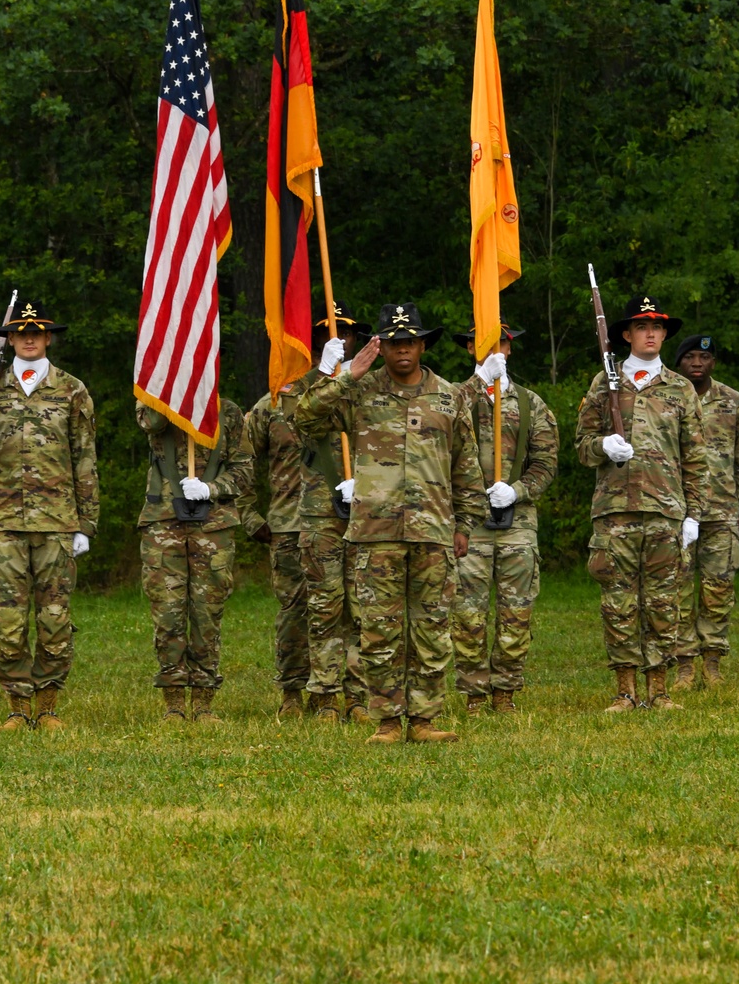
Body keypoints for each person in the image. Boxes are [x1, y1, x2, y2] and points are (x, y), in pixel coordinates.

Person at [294, 301, 485, 744]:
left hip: (433, 530)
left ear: (422, 345)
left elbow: (466, 464)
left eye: (412, 341)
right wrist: (345, 376)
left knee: (431, 626)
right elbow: (303, 417)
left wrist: (466, 524)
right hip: (375, 533)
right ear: (380, 348)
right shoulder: (360, 392)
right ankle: (385, 721)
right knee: (379, 628)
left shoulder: (448, 395)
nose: (405, 349)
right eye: (395, 342)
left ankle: (424, 719)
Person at [0, 300, 99, 732]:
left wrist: (86, 524)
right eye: (22, 333)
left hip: (57, 522)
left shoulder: (72, 389)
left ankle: (48, 706)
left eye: (37, 333)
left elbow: (85, 458)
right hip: (3, 523)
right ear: (10, 339)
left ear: (48, 338)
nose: (30, 338)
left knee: (55, 618)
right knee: (7, 619)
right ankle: (17, 708)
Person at [575, 295, 706, 712]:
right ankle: (625, 690)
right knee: (618, 602)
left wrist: (694, 514)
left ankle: (660, 690)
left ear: (665, 334)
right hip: (615, 512)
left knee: (665, 603)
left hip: (666, 510)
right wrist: (602, 446)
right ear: (627, 335)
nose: (651, 333)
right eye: (642, 326)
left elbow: (696, 457)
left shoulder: (680, 388)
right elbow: (580, 447)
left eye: (658, 327)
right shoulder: (604, 384)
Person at [450, 319, 559, 714]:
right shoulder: (455, 397)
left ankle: (505, 690)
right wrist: (479, 384)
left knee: (517, 611)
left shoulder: (531, 403)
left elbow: (546, 461)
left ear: (511, 349)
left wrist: (519, 489)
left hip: (518, 522)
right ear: (470, 349)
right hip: (469, 522)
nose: (496, 350)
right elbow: (438, 432)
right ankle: (475, 693)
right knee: (467, 611)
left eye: (502, 344)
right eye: (485, 344)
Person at [136, 392, 262, 721]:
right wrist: (174, 392)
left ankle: (204, 701)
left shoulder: (230, 412)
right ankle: (174, 702)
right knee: (168, 612)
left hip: (214, 523)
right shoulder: (154, 400)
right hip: (163, 521)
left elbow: (245, 469)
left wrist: (212, 488)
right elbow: (149, 423)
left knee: (207, 613)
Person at [297, 302, 371, 723]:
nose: (339, 341)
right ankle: (324, 696)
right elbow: (302, 417)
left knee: (362, 608)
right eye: (329, 335)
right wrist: (328, 376)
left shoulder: (370, 386)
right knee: (325, 607)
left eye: (345, 334)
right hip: (321, 514)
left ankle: (358, 697)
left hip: (366, 511)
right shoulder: (301, 386)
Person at [672, 335, 739, 688]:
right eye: (689, 356)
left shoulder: (735, 403)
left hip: (722, 510)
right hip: (676, 509)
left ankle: (712, 661)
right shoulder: (668, 397)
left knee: (718, 587)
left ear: (714, 362)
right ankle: (684, 664)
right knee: (677, 588)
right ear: (678, 362)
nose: (697, 363)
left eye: (704, 357)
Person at [245, 365, 311, 717]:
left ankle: (346, 695)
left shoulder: (351, 398)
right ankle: (292, 693)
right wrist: (248, 515)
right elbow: (240, 459)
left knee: (349, 613)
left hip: (346, 522)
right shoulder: (269, 407)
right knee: (294, 613)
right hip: (289, 524)